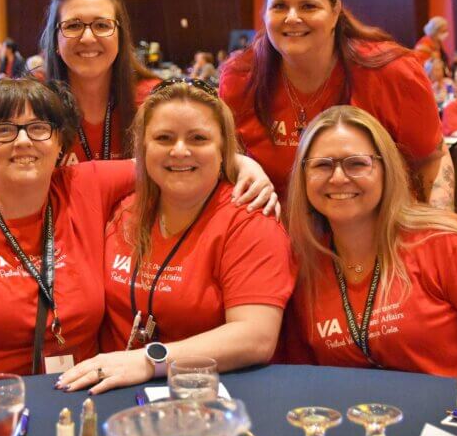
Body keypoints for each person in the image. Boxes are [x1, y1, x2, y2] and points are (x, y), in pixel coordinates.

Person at [0, 78, 279, 399]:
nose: (23, 142)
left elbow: (171, 161)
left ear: (60, 145)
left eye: (39, 129)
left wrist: (239, 162)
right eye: (5, 130)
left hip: (70, 401)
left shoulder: (83, 186)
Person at [282, 105, 457, 390]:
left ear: (387, 170)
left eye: (357, 163)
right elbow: (307, 378)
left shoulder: (447, 242)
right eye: (322, 164)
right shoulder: (306, 265)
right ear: (303, 176)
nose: (338, 177)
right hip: (382, 426)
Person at [56, 80, 295, 393]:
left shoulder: (250, 220)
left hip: (209, 398)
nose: (180, 150)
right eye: (164, 138)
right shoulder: (121, 209)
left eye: (198, 138)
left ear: (224, 148)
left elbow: (256, 337)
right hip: (111, 390)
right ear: (143, 147)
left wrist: (148, 361)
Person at [219, 0, 453, 209]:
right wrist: (242, 162)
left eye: (308, 6)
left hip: (377, 229)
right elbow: (223, 157)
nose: (292, 17)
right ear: (265, 15)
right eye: (279, 6)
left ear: (335, 13)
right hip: (278, 232)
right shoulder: (240, 78)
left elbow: (433, 160)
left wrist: (437, 233)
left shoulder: (392, 72)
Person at [41, 0, 160, 165]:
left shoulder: (155, 100)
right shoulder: (32, 105)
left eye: (102, 25)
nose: (88, 38)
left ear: (120, 37)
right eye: (73, 25)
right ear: (55, 40)